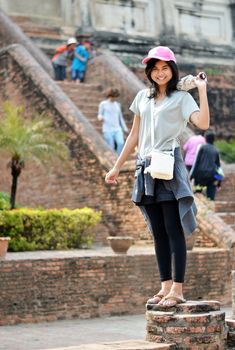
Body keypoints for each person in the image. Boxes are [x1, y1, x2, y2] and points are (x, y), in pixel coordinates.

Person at [105, 46, 209, 307]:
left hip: (168, 166)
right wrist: (117, 166)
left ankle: (178, 289)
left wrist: (202, 90)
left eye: (165, 68)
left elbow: (203, 124)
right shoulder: (142, 97)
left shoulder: (182, 98)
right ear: (149, 72)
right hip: (145, 167)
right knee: (158, 232)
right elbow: (133, 135)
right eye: (155, 68)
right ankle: (164, 286)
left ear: (172, 71)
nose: (159, 73)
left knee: (174, 229)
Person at [190, 131, 221, 200]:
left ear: (205, 138)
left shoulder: (202, 147)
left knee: (198, 194)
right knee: (210, 197)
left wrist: (191, 175)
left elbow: (196, 162)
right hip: (212, 176)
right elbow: (218, 166)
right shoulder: (216, 150)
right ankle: (210, 205)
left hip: (200, 175)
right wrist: (219, 182)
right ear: (214, 140)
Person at [98, 88, 129, 155]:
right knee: (111, 146)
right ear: (110, 96)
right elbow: (100, 114)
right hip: (107, 129)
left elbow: (120, 118)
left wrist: (125, 128)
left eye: (115, 97)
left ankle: (117, 158)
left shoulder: (117, 105)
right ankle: (114, 159)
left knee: (121, 143)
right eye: (113, 96)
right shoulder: (103, 104)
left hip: (117, 128)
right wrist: (101, 118)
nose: (114, 98)